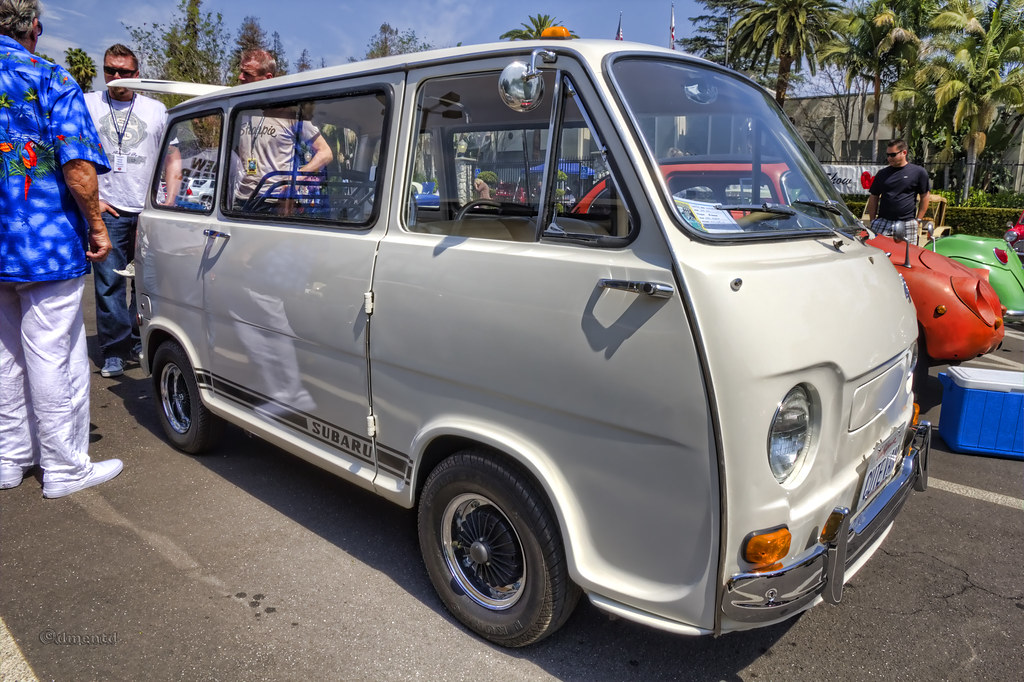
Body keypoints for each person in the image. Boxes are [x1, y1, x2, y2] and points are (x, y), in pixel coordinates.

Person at [0, 0, 124, 497]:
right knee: (56, 353)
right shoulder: (49, 78)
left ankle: (10, 457)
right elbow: (77, 166)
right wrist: (96, 224)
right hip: (44, 244)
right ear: (35, 26)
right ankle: (64, 466)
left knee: (5, 354)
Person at [85, 44, 174, 378]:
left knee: (147, 282)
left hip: (149, 209)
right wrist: (92, 203)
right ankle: (114, 350)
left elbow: (173, 158)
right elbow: (74, 156)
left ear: (137, 74)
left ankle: (140, 340)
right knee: (109, 283)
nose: (116, 77)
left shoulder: (157, 109)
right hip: (108, 208)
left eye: (124, 72)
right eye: (110, 70)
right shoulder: (87, 104)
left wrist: (166, 202)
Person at [230, 49, 332, 211]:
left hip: (273, 200)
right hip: (239, 199)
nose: (240, 77)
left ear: (267, 79)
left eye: (247, 74)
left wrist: (298, 177)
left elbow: (325, 152)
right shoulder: (239, 112)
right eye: (241, 72)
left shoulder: (289, 113)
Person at [866, 139, 930, 246]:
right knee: (876, 250)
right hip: (883, 221)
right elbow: (874, 196)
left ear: (904, 153)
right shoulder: (882, 173)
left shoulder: (918, 172)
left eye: (893, 155)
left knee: (908, 254)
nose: (889, 158)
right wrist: (873, 220)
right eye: (888, 155)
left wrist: (918, 220)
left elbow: (925, 196)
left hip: (907, 222)